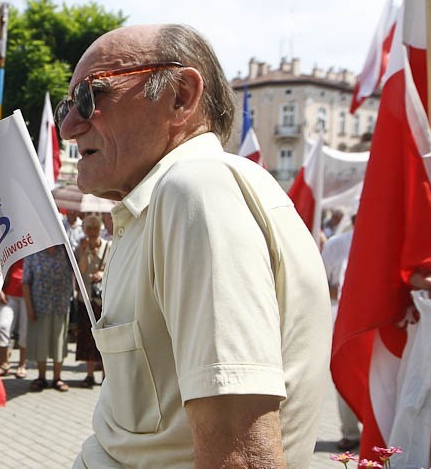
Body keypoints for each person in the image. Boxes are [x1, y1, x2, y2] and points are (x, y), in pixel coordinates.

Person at [57, 24, 331, 468]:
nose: (69, 126)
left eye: (91, 97)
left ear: (181, 96)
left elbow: (240, 454)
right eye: (67, 107)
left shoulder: (196, 188)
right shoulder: (166, 201)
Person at [320, 215, 360, 451]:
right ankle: (351, 432)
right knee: (346, 373)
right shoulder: (338, 243)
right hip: (343, 321)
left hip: (377, 325)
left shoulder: (388, 240)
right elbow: (320, 282)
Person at [23, 245, 74, 393]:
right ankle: (41, 377)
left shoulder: (66, 251)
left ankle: (57, 377)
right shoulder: (33, 252)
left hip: (60, 305)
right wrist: (29, 307)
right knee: (41, 343)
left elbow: (78, 269)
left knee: (59, 342)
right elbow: (26, 282)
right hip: (40, 306)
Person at [74, 215, 108, 388]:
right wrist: (85, 251)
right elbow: (81, 271)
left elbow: (112, 267)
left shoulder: (108, 246)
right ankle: (88, 375)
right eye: (89, 229)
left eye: (95, 228)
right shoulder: (81, 247)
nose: (92, 232)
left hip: (103, 299)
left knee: (104, 337)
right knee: (87, 337)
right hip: (86, 298)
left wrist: (102, 273)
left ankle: (105, 375)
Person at [0, 258, 27, 379]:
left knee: (25, 332)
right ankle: (4, 364)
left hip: (28, 295)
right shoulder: (11, 241)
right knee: (2, 326)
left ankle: (22, 364)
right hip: (9, 294)